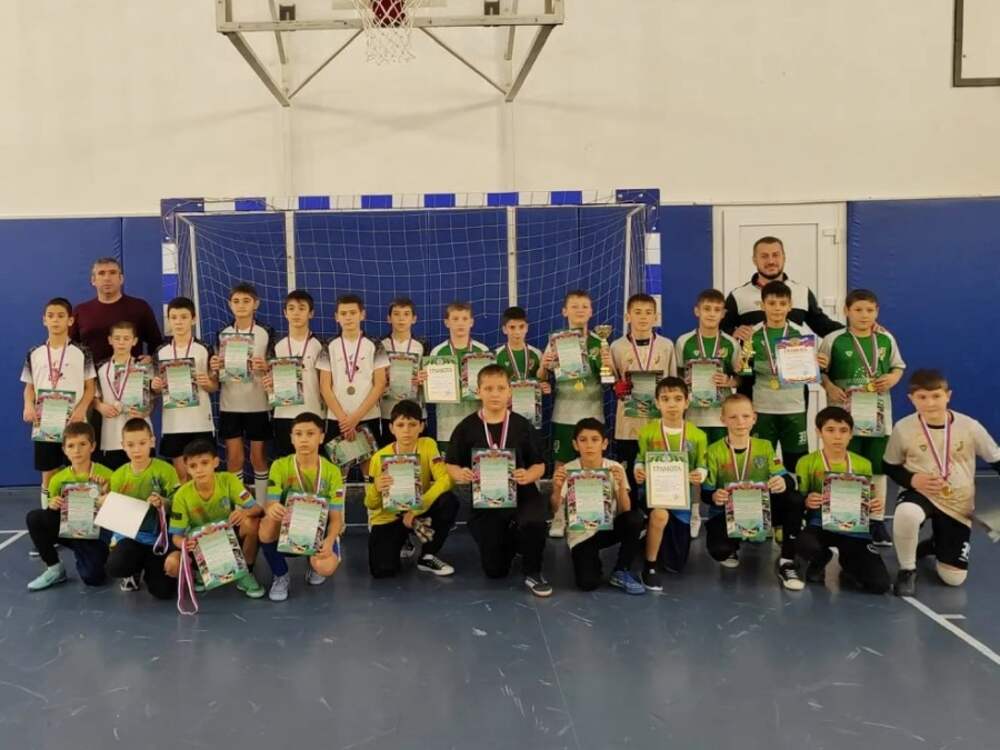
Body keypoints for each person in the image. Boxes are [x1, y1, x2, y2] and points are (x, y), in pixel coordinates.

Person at [883, 370, 1000, 596]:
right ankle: (907, 570)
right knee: (907, 513)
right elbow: (889, 465)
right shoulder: (903, 428)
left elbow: (996, 459)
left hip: (957, 502)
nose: (930, 403)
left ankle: (936, 544)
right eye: (922, 397)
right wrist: (912, 479)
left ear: (948, 396)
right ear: (911, 399)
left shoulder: (969, 426)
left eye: (936, 396)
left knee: (953, 579)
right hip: (919, 493)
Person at [446, 365, 551, 597]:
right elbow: (450, 463)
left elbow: (541, 465)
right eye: (489, 388)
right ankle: (511, 542)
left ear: (510, 391)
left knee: (534, 521)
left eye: (501, 388)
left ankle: (533, 571)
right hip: (485, 498)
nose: (495, 394)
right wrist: (460, 473)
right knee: (495, 570)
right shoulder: (466, 427)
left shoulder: (522, 425)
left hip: (521, 492)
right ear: (478, 391)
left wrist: (529, 475)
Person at [819, 289, 906, 546]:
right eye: (858, 310)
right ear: (846, 311)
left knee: (877, 467)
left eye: (869, 310)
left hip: (877, 416)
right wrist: (828, 386)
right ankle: (843, 516)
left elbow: (898, 366)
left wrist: (892, 378)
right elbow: (820, 371)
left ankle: (876, 520)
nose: (864, 315)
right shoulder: (833, 339)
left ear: (877, 311)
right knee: (844, 464)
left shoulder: (886, 339)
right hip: (843, 417)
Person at [701, 394, 807, 590]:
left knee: (794, 499)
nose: (740, 422)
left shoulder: (764, 446)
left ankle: (787, 561)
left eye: (745, 416)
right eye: (733, 417)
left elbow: (785, 478)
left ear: (754, 418)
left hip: (761, 510)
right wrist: (715, 496)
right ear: (723, 420)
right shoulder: (714, 451)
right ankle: (731, 546)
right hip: (728, 512)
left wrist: (782, 482)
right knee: (719, 550)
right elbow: (706, 493)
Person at [539, 289, 612, 538]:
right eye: (574, 306)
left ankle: (592, 515)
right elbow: (541, 378)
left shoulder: (600, 341)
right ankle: (558, 517)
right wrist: (544, 366)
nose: (580, 310)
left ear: (591, 312)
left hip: (593, 415)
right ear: (564, 311)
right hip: (564, 415)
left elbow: (610, 380)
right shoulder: (556, 341)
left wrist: (607, 362)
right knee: (561, 469)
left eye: (584, 306)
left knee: (594, 467)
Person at [794, 407, 891, 594]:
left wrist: (873, 505)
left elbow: (868, 499)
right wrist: (807, 500)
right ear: (819, 432)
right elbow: (799, 497)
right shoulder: (806, 462)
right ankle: (820, 558)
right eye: (830, 430)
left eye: (843, 430)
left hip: (854, 531)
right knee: (806, 545)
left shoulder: (863, 464)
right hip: (820, 525)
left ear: (851, 434)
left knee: (880, 585)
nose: (837, 436)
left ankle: (849, 564)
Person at [365, 400, 459, 578]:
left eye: (412, 424)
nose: (406, 430)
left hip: (420, 511)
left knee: (448, 501)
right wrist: (376, 488)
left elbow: (446, 479)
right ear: (391, 428)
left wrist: (418, 508)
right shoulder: (378, 457)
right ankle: (403, 540)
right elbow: (371, 504)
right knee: (382, 571)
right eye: (400, 425)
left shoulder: (428, 445)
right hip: (390, 516)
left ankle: (427, 556)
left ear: (421, 426)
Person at [258, 412, 345, 602]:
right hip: (287, 528)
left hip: (318, 530)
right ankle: (281, 575)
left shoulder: (332, 471)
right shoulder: (280, 466)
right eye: (298, 434)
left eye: (310, 433)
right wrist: (272, 508)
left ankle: (314, 564)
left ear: (321, 437)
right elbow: (271, 503)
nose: (304, 439)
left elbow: (336, 518)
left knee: (326, 567)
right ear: (291, 438)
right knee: (266, 526)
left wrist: (329, 540)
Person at [551, 418, 645, 594]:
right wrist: (556, 488)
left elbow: (625, 510)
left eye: (595, 440)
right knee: (587, 584)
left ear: (604, 444)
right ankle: (590, 559)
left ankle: (621, 569)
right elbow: (555, 508)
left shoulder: (614, 468)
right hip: (581, 533)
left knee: (635, 519)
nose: (589, 445)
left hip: (608, 527)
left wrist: (620, 486)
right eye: (583, 440)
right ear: (575, 444)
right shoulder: (568, 470)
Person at [164, 439, 265, 599]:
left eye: (204, 463)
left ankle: (245, 572)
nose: (199, 470)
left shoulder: (228, 480)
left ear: (216, 462)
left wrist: (244, 513)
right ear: (187, 469)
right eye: (193, 466)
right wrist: (184, 542)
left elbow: (257, 509)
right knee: (171, 564)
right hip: (200, 543)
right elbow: (176, 536)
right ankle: (198, 572)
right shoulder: (181, 495)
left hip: (228, 538)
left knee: (251, 523)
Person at [632, 377, 708, 590]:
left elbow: (702, 465)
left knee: (676, 565)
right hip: (655, 497)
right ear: (657, 403)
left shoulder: (698, 435)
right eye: (665, 399)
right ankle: (650, 565)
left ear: (687, 402)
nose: (672, 404)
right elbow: (640, 459)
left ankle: (647, 537)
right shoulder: (647, 432)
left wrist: (699, 475)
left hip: (681, 501)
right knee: (660, 514)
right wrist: (638, 471)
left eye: (677, 398)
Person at [22, 297, 97, 510]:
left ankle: (77, 518)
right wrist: (28, 405)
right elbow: (29, 387)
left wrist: (81, 409)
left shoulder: (83, 352)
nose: (55, 320)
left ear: (70, 320)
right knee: (48, 472)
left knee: (78, 469)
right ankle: (49, 515)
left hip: (75, 421)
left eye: (61, 316)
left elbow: (90, 388)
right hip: (45, 422)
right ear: (44, 320)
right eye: (51, 316)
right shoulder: (34, 352)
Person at [747, 281, 827, 478]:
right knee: (761, 461)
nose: (777, 308)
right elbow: (744, 371)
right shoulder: (752, 336)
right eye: (772, 303)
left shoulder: (801, 335)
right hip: (762, 407)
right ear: (762, 305)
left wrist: (818, 364)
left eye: (782, 304)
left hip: (794, 407)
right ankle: (764, 497)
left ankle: (795, 496)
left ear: (790, 306)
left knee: (796, 462)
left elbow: (809, 372)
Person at [24, 422, 113, 591]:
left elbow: (115, 516)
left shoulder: (107, 475)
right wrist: (52, 505)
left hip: (95, 534)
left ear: (93, 446)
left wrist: (105, 494)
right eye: (71, 446)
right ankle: (54, 568)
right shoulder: (57, 479)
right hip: (69, 529)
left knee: (93, 579)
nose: (77, 450)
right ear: (64, 450)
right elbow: (52, 510)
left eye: (82, 444)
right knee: (35, 518)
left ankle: (94, 556)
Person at [211, 283, 274, 506]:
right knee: (235, 458)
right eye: (236, 301)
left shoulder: (266, 332)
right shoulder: (222, 334)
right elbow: (216, 372)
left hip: (258, 404)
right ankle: (239, 508)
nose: (241, 306)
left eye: (246, 301)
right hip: (230, 404)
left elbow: (276, 366)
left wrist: (265, 366)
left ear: (256, 304)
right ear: (230, 305)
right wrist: (215, 366)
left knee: (258, 458)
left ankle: (263, 506)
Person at [104, 418, 181, 598]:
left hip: (158, 541)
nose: (136, 449)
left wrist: (163, 502)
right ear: (123, 445)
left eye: (142, 443)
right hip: (131, 538)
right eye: (130, 445)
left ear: (152, 441)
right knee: (115, 566)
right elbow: (114, 515)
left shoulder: (166, 470)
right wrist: (104, 502)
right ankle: (134, 570)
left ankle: (155, 565)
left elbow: (179, 505)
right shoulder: (118, 476)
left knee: (163, 592)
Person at [609, 293, 676, 497]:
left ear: (656, 317)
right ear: (628, 316)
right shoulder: (616, 346)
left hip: (658, 422)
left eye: (648, 312)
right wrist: (616, 386)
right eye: (637, 312)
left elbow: (673, 383)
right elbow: (611, 380)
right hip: (627, 424)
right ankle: (630, 512)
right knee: (628, 477)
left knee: (657, 476)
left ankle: (654, 513)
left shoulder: (666, 346)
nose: (643, 317)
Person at [722, 236, 842, 342]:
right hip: (754, 360)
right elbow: (720, 328)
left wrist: (850, 331)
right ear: (754, 260)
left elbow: (823, 326)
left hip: (793, 358)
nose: (771, 261)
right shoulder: (738, 295)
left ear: (784, 257)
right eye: (764, 256)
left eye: (775, 255)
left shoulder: (802, 292)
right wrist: (732, 332)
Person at [318, 294, 388, 474]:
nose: (348, 317)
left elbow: (380, 384)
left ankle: (369, 494)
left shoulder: (375, 345)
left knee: (370, 468)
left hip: (367, 415)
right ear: (336, 317)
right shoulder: (328, 346)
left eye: (353, 312)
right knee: (338, 470)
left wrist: (355, 418)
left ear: (362, 314)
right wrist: (344, 419)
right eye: (343, 313)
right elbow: (324, 386)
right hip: (337, 418)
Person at [151, 297, 217, 481]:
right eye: (174, 317)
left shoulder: (204, 348)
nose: (178, 322)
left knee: (202, 475)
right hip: (174, 423)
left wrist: (207, 383)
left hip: (200, 421)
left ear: (193, 319)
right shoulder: (160, 351)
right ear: (169, 320)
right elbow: (155, 389)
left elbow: (214, 385)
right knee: (181, 477)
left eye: (184, 317)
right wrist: (155, 387)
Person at [674, 289, 742, 447]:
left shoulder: (731, 343)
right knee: (695, 458)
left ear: (723, 314)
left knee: (719, 458)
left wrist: (729, 381)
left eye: (717, 310)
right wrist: (684, 381)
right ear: (697, 311)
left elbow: (741, 378)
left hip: (721, 417)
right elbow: (676, 375)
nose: (711, 314)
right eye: (707, 309)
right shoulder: (683, 342)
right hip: (692, 415)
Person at [267, 289, 328, 459]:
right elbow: (269, 384)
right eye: (291, 308)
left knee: (313, 464)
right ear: (285, 313)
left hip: (314, 413)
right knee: (286, 464)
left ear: (311, 313)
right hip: (283, 415)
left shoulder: (322, 345)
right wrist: (269, 387)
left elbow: (327, 383)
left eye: (302, 308)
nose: (296, 313)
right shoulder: (276, 346)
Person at [70, 257, 163, 364]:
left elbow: (156, 344)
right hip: (91, 373)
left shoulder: (139, 307)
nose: (107, 278)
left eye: (112, 273)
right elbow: (71, 348)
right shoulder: (81, 311)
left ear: (121, 279)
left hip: (131, 372)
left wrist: (151, 359)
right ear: (93, 280)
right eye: (101, 273)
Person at [427, 301, 492, 450]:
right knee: (450, 462)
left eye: (464, 318)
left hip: (477, 418)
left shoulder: (482, 351)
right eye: (455, 319)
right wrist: (425, 381)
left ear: (471, 322)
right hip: (447, 421)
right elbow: (431, 389)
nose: (460, 323)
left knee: (475, 461)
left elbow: (490, 383)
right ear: (447, 323)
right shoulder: (437, 352)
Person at [93, 320, 152, 470]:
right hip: (111, 436)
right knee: (115, 481)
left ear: (134, 341)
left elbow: (152, 398)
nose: (121, 342)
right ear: (110, 340)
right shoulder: (100, 368)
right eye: (117, 338)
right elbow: (93, 396)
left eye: (126, 338)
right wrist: (100, 406)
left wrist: (145, 411)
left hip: (140, 435)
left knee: (143, 478)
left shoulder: (144, 367)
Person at [378, 297, 427, 447]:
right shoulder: (379, 345)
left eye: (406, 314)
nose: (401, 319)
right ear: (388, 318)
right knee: (390, 454)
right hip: (386, 412)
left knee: (415, 455)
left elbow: (430, 376)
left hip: (415, 412)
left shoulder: (422, 345)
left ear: (414, 319)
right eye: (396, 314)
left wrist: (424, 379)